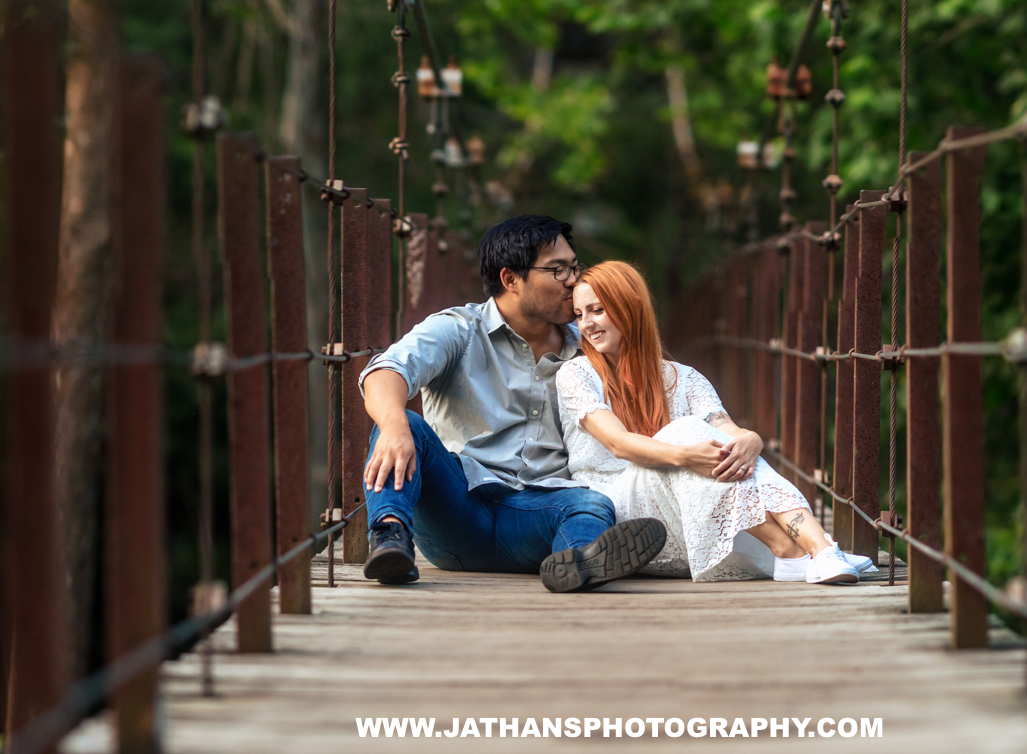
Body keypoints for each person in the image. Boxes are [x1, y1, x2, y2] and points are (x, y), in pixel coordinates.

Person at [356, 215, 667, 593]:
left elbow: (652, 386)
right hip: (457, 511)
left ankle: (577, 562)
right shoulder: (459, 329)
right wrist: (393, 426)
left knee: (590, 504)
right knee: (406, 424)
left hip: (538, 515)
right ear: (510, 280)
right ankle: (390, 539)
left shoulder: (588, 346)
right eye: (557, 270)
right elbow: (385, 371)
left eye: (573, 266)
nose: (573, 280)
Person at [555, 261, 874, 585]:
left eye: (597, 310)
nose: (587, 325)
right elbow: (618, 444)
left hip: (690, 518)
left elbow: (725, 429)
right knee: (685, 434)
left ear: (629, 307)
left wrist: (750, 440)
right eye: (580, 315)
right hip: (623, 519)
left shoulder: (685, 379)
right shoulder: (576, 375)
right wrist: (687, 456)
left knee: (729, 448)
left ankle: (819, 550)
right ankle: (796, 552)